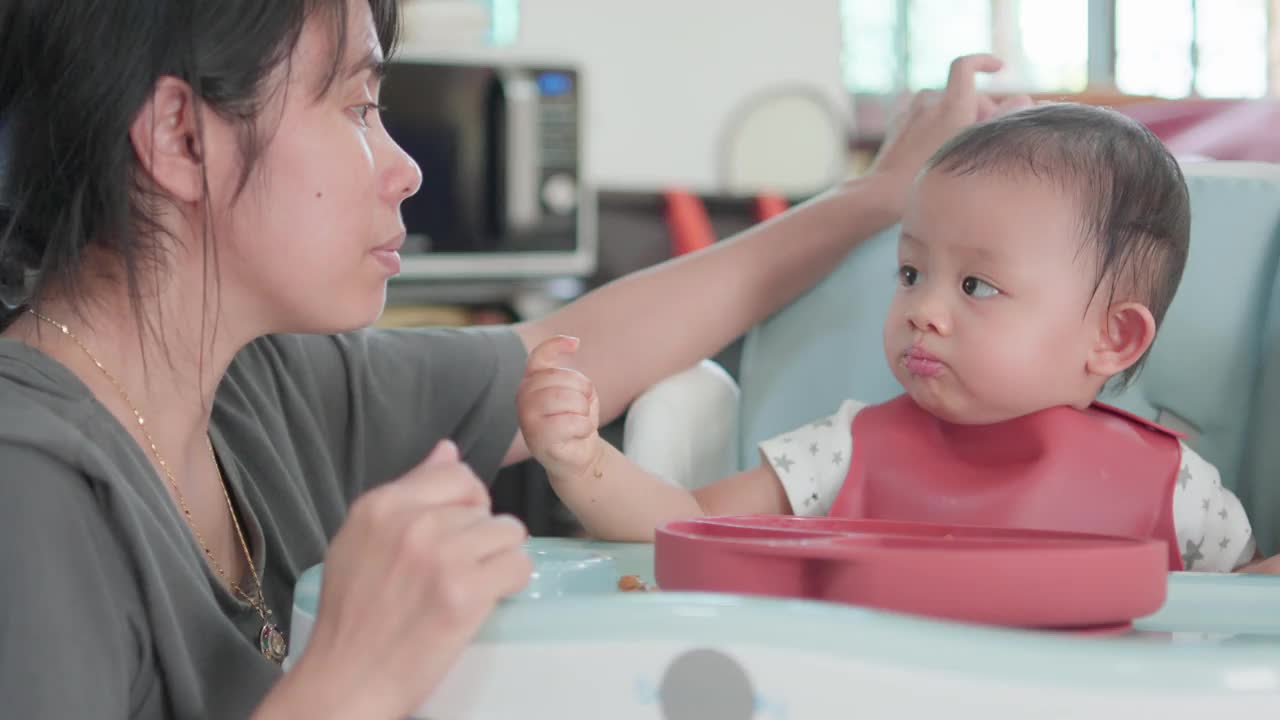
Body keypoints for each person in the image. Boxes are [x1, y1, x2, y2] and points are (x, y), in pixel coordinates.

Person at [0, 0, 1026, 717]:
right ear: (181, 137)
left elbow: (571, 351)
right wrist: (348, 681)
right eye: (357, 108)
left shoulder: (256, 386)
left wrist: (872, 200)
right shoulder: (29, 484)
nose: (402, 167)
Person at [519, 103, 1279, 575]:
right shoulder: (845, 450)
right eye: (911, 273)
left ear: (1113, 339)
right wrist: (583, 460)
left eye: (976, 286)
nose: (923, 310)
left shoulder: (1176, 489)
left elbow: (1241, 622)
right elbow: (680, 524)